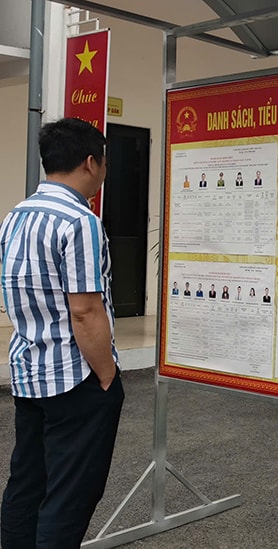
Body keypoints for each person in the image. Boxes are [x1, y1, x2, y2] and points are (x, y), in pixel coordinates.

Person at [0, 117, 124, 547]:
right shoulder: (80, 221)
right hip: (76, 377)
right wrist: (106, 375)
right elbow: (85, 311)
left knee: (27, 483)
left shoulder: (14, 217)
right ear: (91, 162)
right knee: (70, 494)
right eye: (104, 163)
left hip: (29, 370)